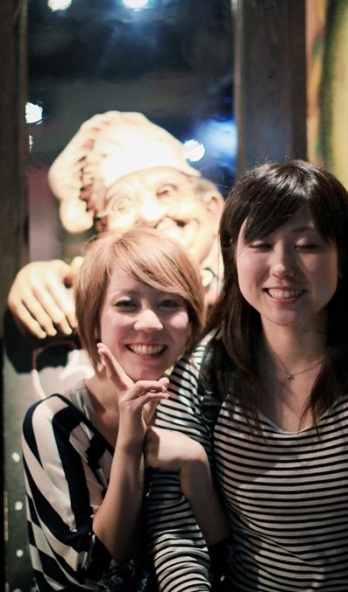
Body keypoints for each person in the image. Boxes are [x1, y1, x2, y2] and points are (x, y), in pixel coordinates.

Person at [147, 160, 348, 591]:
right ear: (233, 255)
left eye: (307, 245)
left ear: (343, 258)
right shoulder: (201, 372)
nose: (282, 266)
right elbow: (177, 530)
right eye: (261, 244)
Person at [22, 228, 228, 591]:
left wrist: (195, 463)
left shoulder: (195, 409)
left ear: (192, 322)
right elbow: (89, 570)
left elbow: (226, 560)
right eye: (126, 304)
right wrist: (130, 446)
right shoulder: (55, 421)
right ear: (94, 320)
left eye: (170, 303)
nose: (150, 323)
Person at [9, 111, 226, 341]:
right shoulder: (108, 300)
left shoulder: (246, 286)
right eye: (122, 206)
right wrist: (39, 283)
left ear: (211, 208)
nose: (149, 215)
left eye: (166, 192)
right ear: (105, 233)